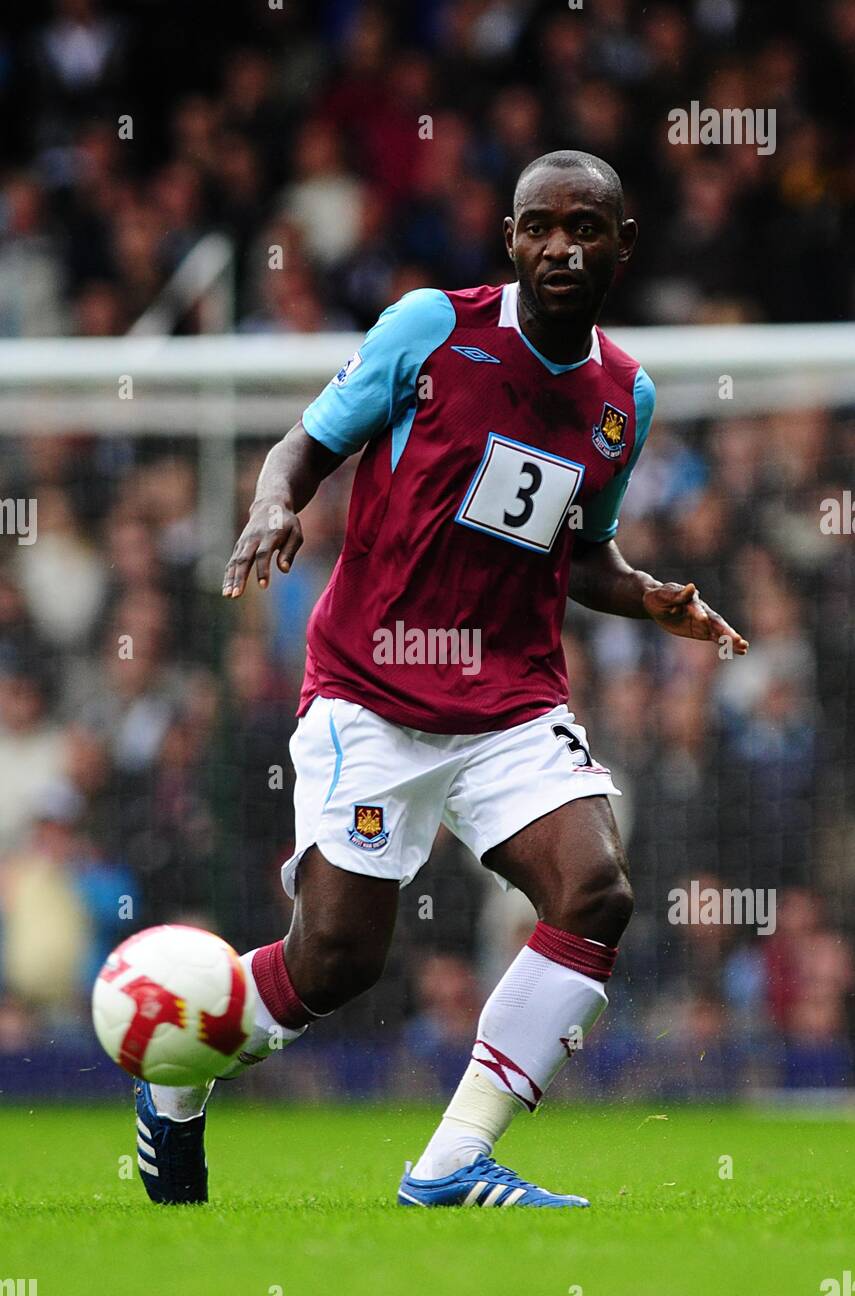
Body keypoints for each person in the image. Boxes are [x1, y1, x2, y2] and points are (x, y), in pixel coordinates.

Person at [134, 150, 747, 1208]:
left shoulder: (622, 399)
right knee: (334, 962)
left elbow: (578, 550)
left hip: (509, 702)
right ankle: (177, 1073)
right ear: (510, 239)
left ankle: (454, 1159)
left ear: (623, 244)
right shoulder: (431, 327)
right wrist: (273, 504)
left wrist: (649, 594)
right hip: (371, 693)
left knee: (597, 890)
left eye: (587, 228)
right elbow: (305, 444)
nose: (563, 246)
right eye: (541, 226)